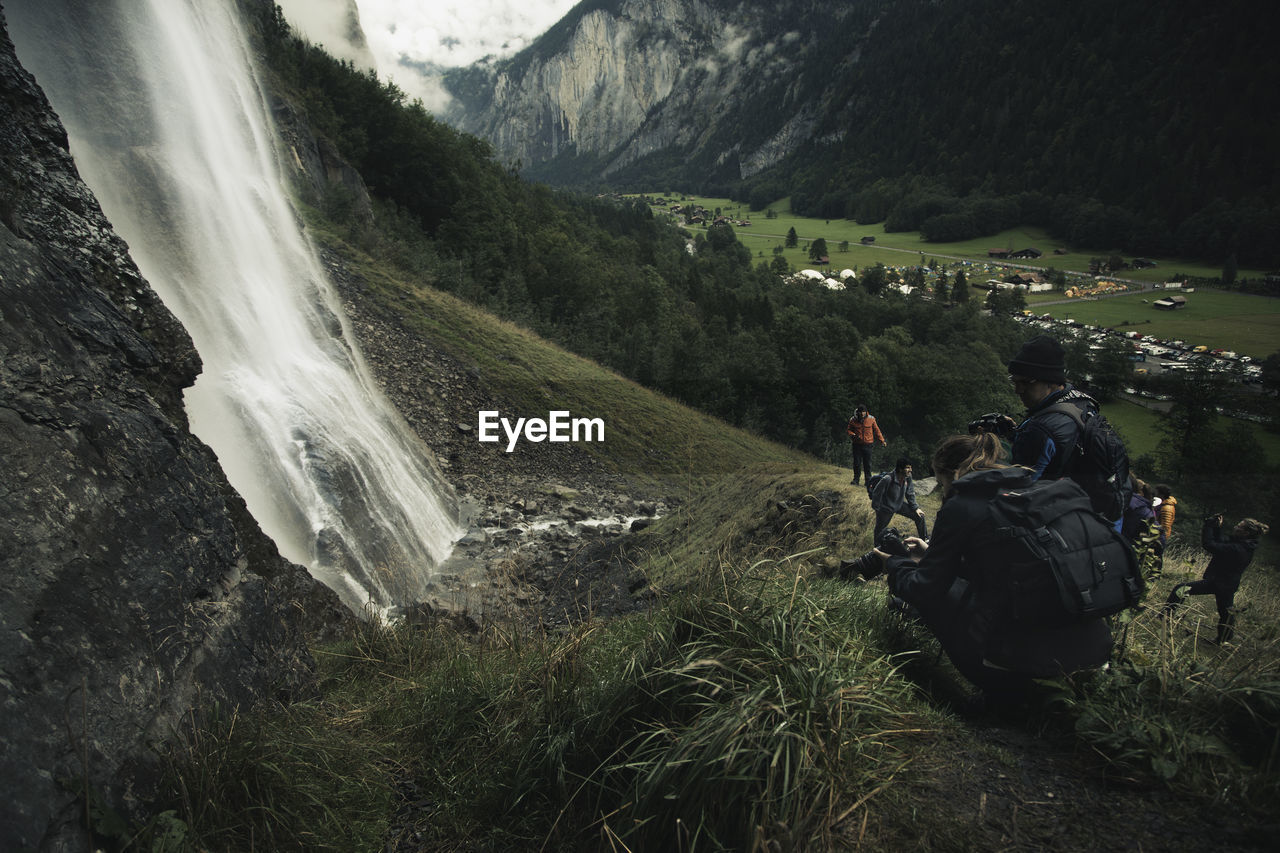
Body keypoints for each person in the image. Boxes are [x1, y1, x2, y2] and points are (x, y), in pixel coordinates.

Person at [878, 433, 1114, 709]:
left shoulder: (962, 504)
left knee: (936, 598)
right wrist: (931, 555)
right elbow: (1011, 568)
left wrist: (892, 564)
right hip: (1094, 660)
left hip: (1026, 675)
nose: (943, 492)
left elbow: (924, 589)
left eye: (942, 484)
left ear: (953, 475)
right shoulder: (1030, 490)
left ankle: (1003, 690)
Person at [1164, 515, 1269, 644]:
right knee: (1226, 613)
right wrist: (1217, 528)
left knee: (1181, 589)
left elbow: (1210, 545)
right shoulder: (1245, 545)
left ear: (1246, 533)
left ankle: (1164, 618)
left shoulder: (1238, 548)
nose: (1235, 527)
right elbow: (1221, 541)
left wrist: (1208, 526)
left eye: (1239, 527)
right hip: (1227, 584)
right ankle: (1224, 639)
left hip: (1219, 583)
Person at [871, 458, 929, 542]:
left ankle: (925, 541)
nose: (911, 470)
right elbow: (876, 493)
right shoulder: (887, 479)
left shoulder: (907, 477)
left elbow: (910, 492)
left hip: (899, 504)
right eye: (908, 468)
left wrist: (916, 508)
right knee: (879, 531)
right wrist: (878, 509)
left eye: (911, 467)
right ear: (900, 469)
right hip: (887, 508)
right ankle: (877, 550)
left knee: (920, 516)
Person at [847, 405, 886, 486]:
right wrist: (853, 434)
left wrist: (882, 440)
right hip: (856, 445)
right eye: (860, 412)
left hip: (868, 445)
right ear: (857, 412)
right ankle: (856, 480)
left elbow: (877, 430)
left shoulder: (871, 419)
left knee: (867, 464)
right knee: (857, 463)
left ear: (866, 412)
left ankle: (868, 481)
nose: (862, 413)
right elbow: (849, 430)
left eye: (863, 412)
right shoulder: (853, 420)